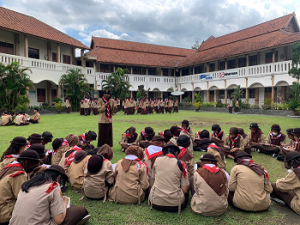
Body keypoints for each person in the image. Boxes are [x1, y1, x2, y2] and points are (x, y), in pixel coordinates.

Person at [10, 165, 90, 225]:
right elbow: (59, 220)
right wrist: (65, 202)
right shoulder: (54, 186)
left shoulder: (27, 185)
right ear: (58, 178)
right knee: (79, 210)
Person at [0, 150, 41, 224]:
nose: (34, 167)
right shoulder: (20, 175)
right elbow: (23, 197)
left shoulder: (10, 168)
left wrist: (33, 172)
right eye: (33, 165)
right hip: (4, 213)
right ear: (27, 162)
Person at [149, 144, 189, 214]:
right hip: (176, 205)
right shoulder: (181, 163)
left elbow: (153, 180)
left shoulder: (157, 160)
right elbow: (185, 190)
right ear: (176, 153)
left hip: (155, 202)